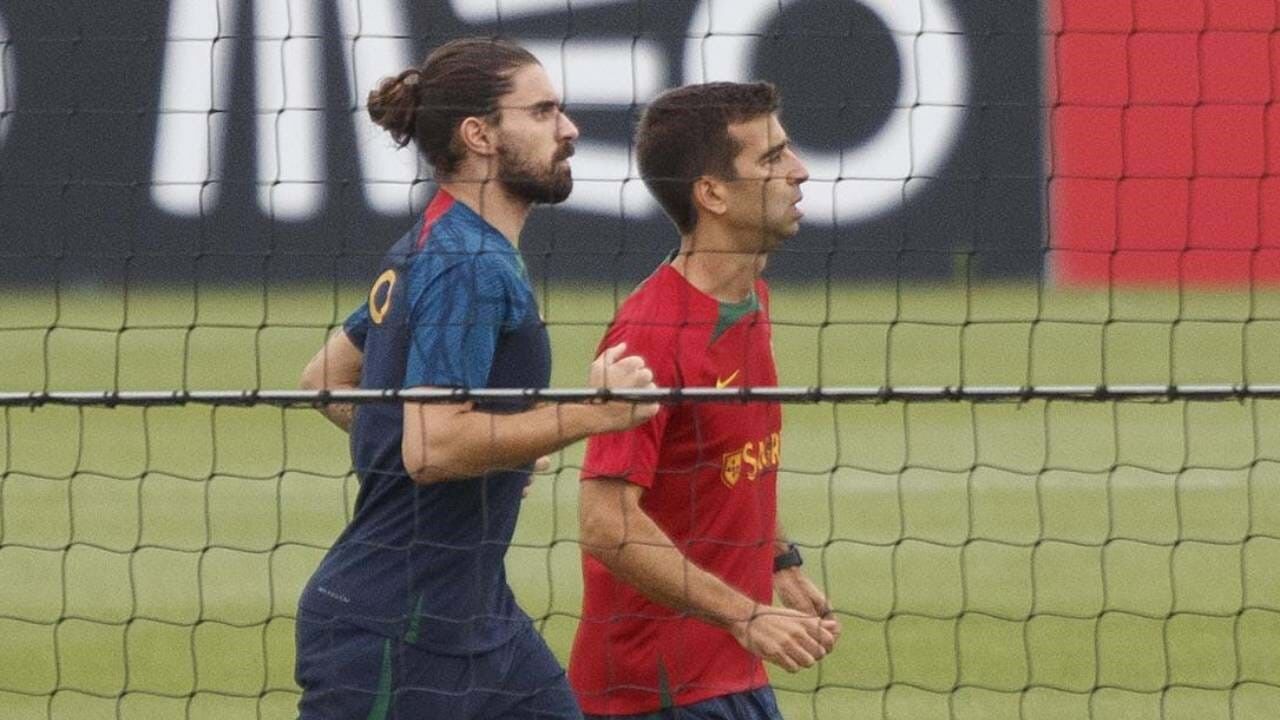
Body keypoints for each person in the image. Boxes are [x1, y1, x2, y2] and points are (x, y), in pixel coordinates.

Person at [294, 37, 658, 720]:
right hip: (396, 633)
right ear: (479, 135)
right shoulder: (466, 264)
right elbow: (430, 449)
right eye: (544, 111)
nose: (570, 128)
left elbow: (327, 378)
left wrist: (507, 445)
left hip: (478, 624)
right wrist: (595, 412)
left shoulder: (440, 243)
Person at [569, 82, 841, 719]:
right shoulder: (651, 335)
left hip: (728, 672)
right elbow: (605, 525)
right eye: (772, 159)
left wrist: (778, 560)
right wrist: (744, 613)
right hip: (653, 691)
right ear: (713, 193)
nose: (799, 172)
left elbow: (724, 460)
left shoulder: (751, 300)